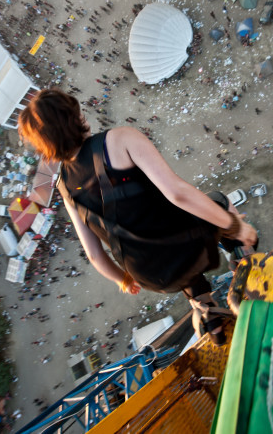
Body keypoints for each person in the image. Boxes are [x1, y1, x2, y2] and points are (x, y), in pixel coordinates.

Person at [18, 89, 258, 345]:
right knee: (219, 201)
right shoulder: (120, 140)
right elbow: (178, 194)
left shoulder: (65, 187)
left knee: (180, 269)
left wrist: (123, 278)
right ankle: (247, 263)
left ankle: (211, 318)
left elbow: (94, 255)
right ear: (74, 116)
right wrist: (236, 226)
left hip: (151, 275)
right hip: (183, 244)